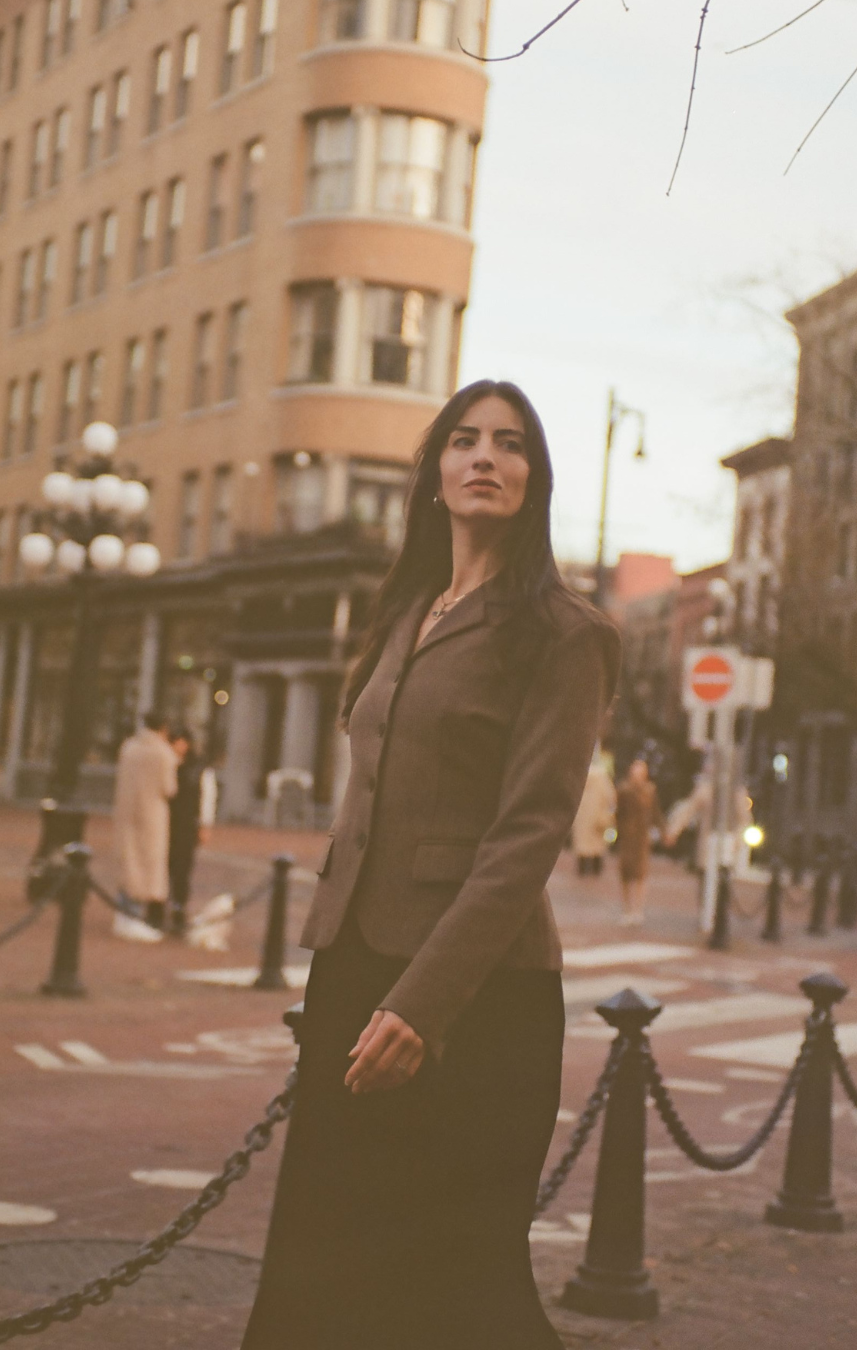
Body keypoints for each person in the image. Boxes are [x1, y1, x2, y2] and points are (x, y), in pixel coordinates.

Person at [240, 380, 621, 1350]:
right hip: (351, 968)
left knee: (454, 1288)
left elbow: (528, 834)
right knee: (321, 1256)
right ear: (436, 475)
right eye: (464, 440)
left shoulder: (564, 633)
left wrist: (423, 1005)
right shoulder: (406, 611)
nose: (485, 456)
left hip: (471, 998)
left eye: (510, 443)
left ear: (535, 480)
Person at [112, 711, 179, 933]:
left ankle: (122, 913)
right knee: (147, 865)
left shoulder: (129, 748)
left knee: (128, 862)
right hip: (151, 815)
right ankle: (135, 917)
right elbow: (169, 788)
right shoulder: (163, 753)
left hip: (127, 812)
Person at [167, 728, 218, 937]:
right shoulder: (167, 763)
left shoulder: (199, 768)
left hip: (187, 824)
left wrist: (205, 825)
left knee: (182, 867)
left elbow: (207, 797)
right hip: (167, 822)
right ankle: (158, 907)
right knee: (165, 865)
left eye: (181, 742)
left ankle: (179, 908)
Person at [614, 758, 666, 924]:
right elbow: (618, 813)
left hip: (642, 838)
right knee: (625, 874)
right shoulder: (624, 790)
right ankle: (627, 909)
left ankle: (638, 909)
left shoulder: (650, 791)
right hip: (627, 838)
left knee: (641, 875)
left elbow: (656, 813)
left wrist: (663, 832)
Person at [572, 751, 616, 876]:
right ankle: (596, 870)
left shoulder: (580, 775)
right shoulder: (602, 777)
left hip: (582, 817)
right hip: (597, 816)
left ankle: (582, 869)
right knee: (597, 846)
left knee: (582, 845)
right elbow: (610, 796)